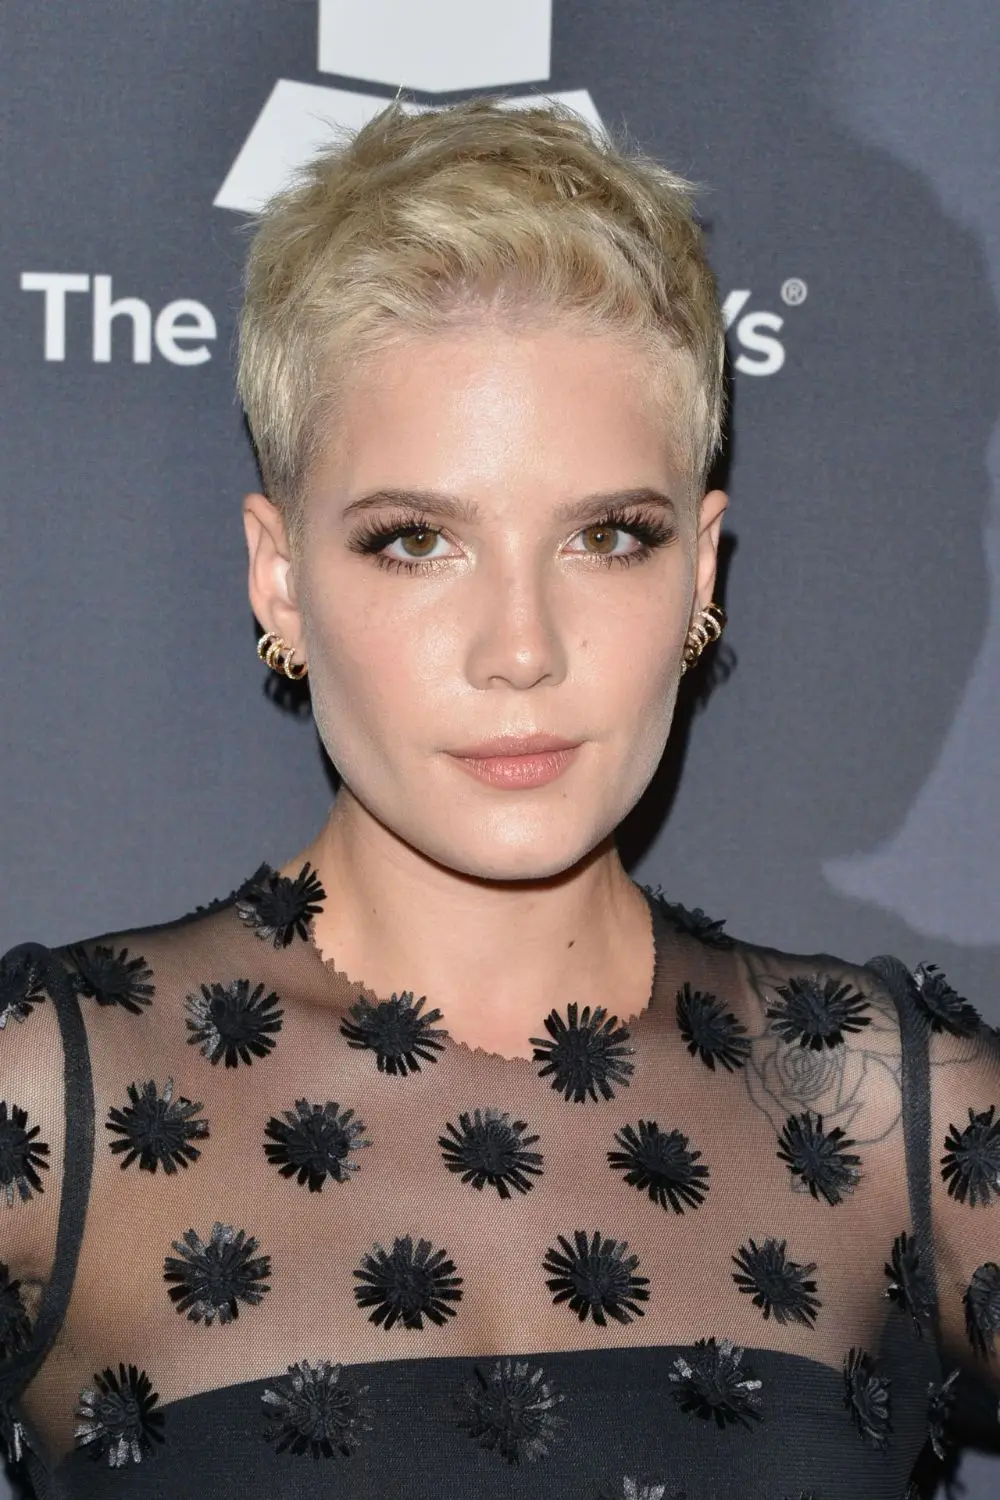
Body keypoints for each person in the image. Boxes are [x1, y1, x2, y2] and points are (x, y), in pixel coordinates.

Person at [0, 96, 997, 1500]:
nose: (521, 649)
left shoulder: (894, 1115)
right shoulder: (55, 1102)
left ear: (700, 573)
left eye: (610, 537)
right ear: (280, 578)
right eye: (417, 541)